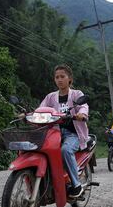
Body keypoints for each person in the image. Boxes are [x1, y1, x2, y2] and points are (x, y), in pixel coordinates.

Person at [39, 64, 89, 198]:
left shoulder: (77, 94)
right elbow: (41, 109)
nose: (59, 79)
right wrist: (29, 114)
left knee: (65, 150)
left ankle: (76, 184)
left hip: (74, 134)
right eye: (57, 77)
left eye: (62, 76)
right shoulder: (50, 97)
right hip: (53, 133)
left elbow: (83, 106)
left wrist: (82, 114)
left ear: (69, 79)